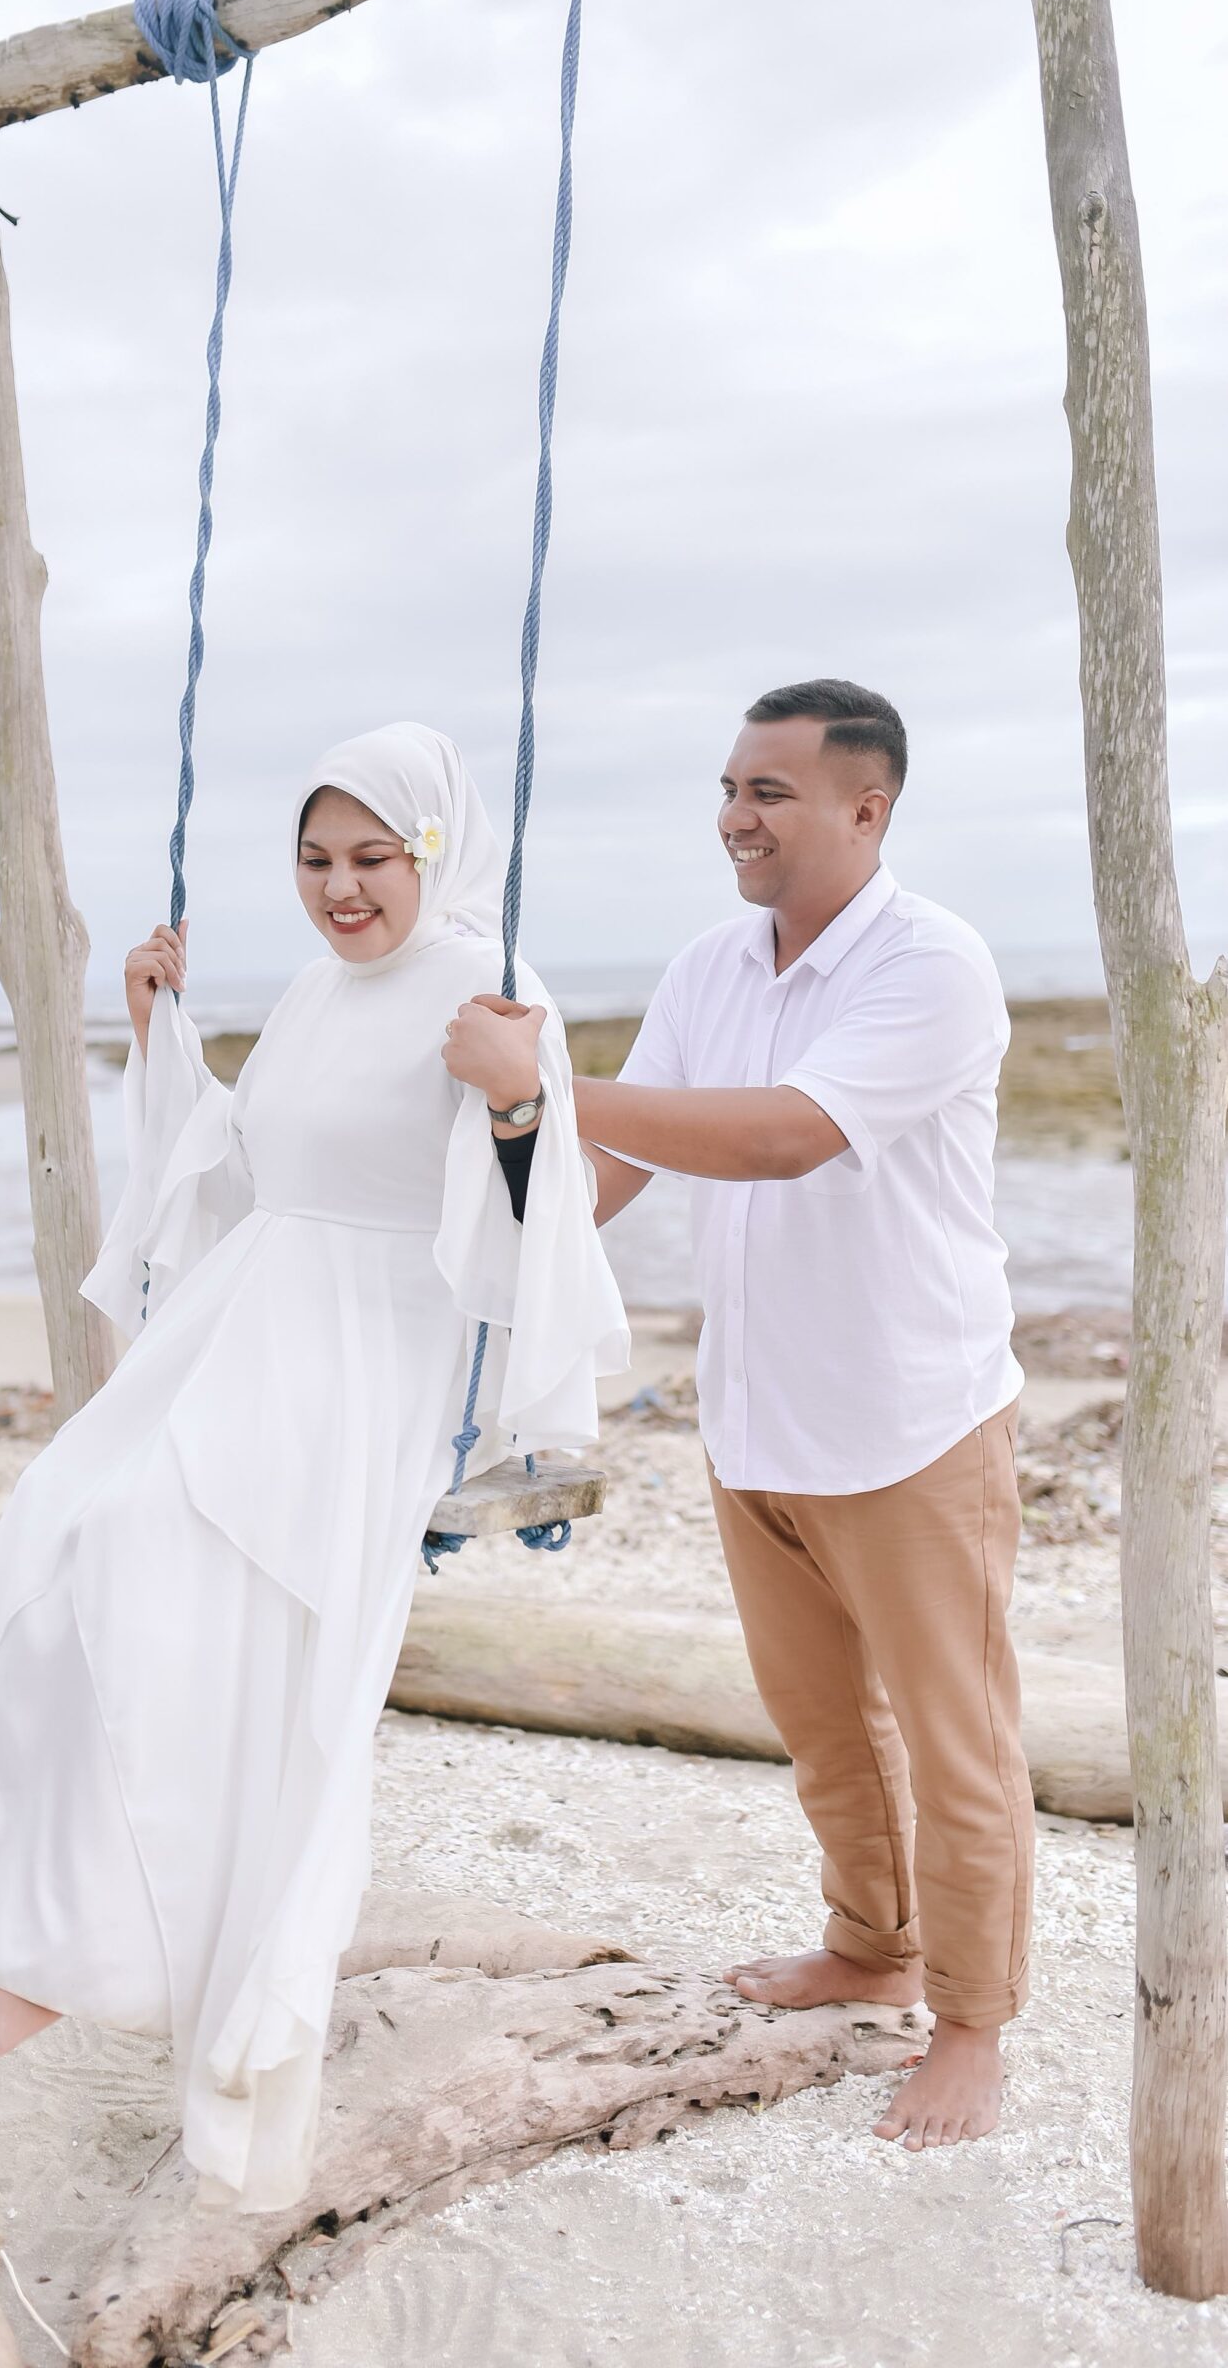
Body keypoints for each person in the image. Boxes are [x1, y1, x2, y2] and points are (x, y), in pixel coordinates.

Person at [0, 721, 626, 2213]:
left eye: (371, 858)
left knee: (155, 1573)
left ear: (434, 852)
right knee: (54, 1521)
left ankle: (59, 1959)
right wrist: (162, 1040)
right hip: (249, 1319)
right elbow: (251, 1168)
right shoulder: (317, 991)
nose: (339, 889)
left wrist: (518, 1100)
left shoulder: (494, 988)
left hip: (366, 1353)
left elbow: (544, 1229)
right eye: (315, 861)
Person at [454, 678, 1031, 2154]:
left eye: (768, 791)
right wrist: (508, 1145)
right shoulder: (709, 965)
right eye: (728, 787)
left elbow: (784, 1135)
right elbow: (609, 1179)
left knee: (957, 1741)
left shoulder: (935, 963)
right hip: (755, 1412)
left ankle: (971, 2025)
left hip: (914, 1420)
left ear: (866, 807)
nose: (734, 817)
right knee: (823, 1727)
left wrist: (552, 1079)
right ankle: (872, 1952)